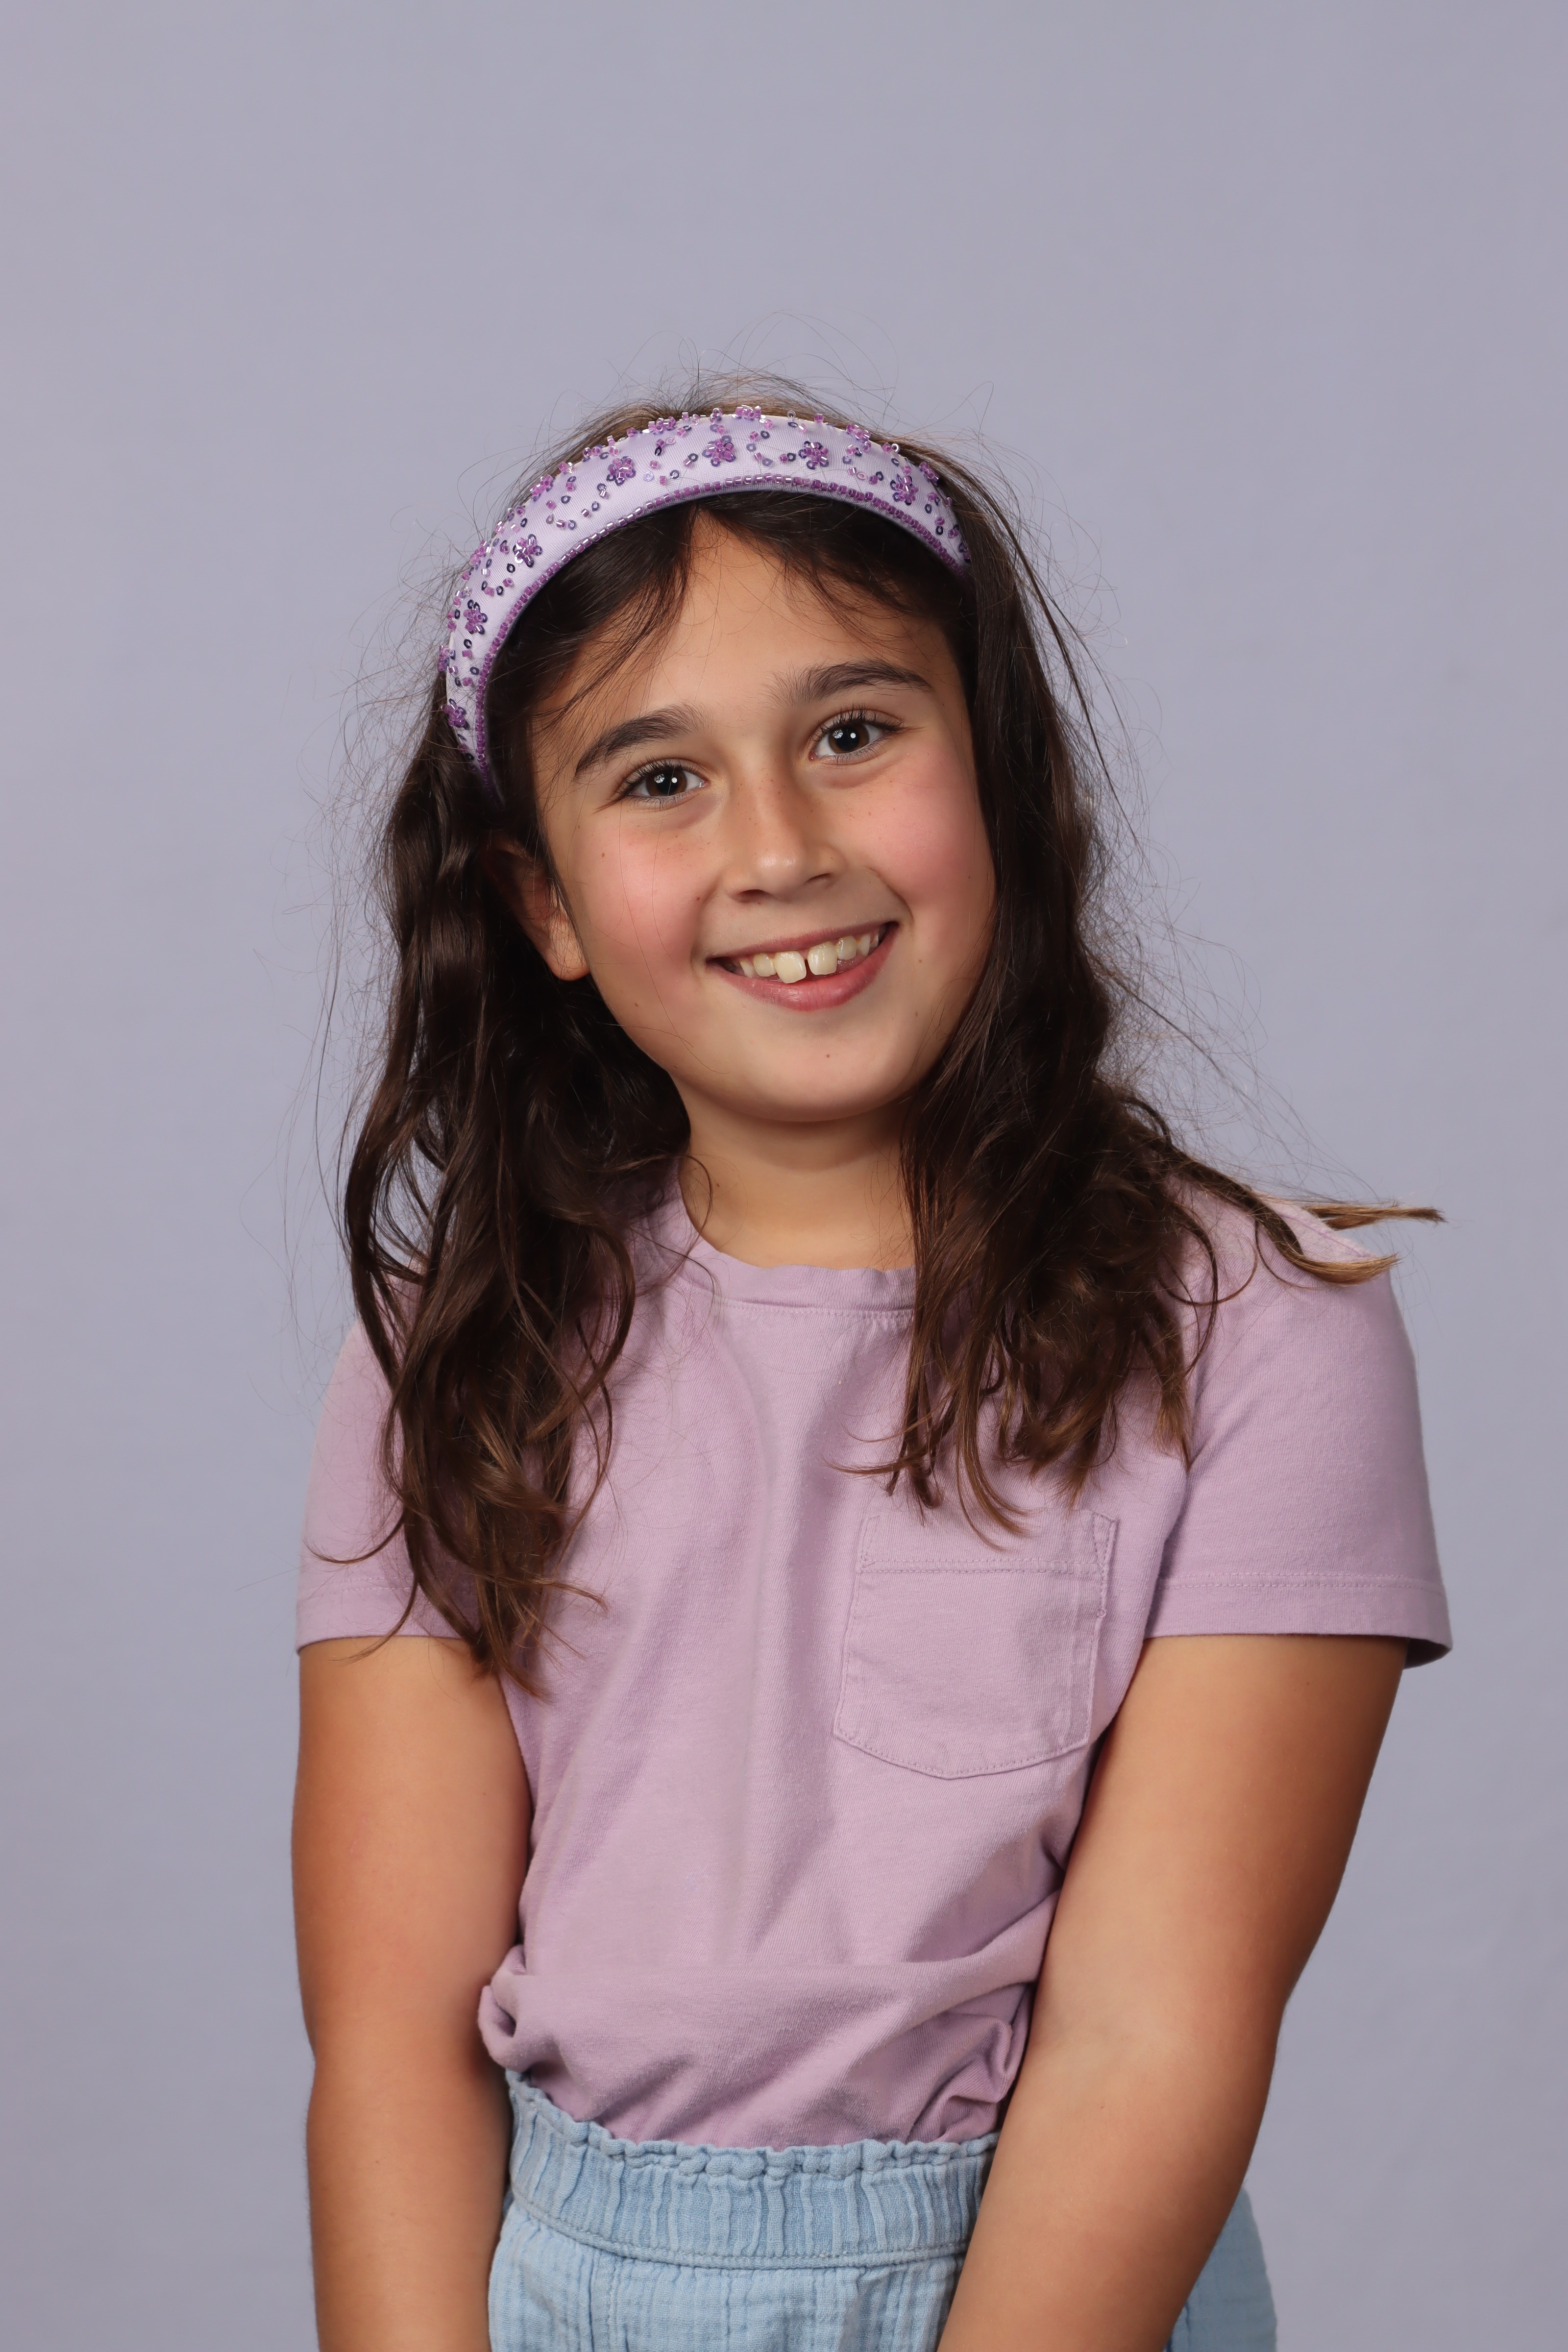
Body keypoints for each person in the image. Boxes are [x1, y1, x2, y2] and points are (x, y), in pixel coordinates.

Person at [292, 387, 1450, 2352]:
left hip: (1051, 2285)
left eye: (850, 734)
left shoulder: (1262, 1328)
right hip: (558, 2287)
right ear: (544, 905)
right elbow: (393, 2043)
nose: (779, 846)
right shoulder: (452, 1352)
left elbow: (1149, 2039)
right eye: (660, 778)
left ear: (993, 771)